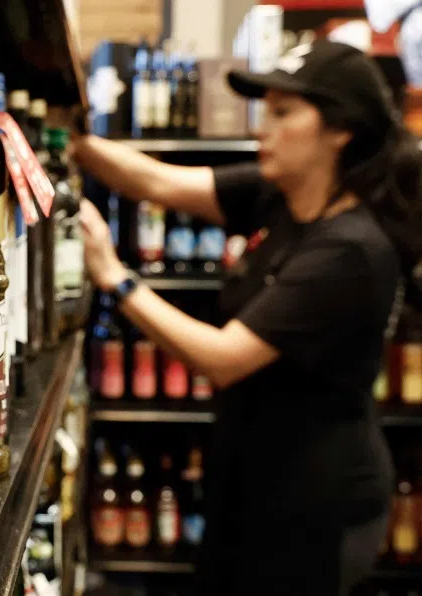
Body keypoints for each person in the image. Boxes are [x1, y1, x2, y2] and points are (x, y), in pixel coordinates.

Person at [71, 41, 422, 595]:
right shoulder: (283, 195)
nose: (263, 127)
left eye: (283, 113)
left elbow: (223, 359)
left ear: (341, 131)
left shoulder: (349, 250)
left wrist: (115, 276)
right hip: (257, 477)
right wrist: (66, 141)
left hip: (312, 502)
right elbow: (157, 183)